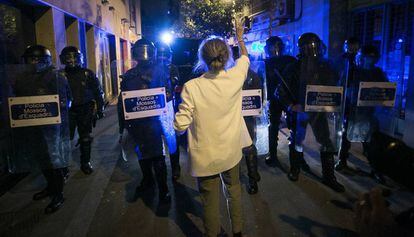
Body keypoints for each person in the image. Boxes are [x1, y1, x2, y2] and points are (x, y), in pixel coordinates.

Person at [174, 18, 250, 237]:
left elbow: (181, 124)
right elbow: (244, 58)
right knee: (234, 191)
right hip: (231, 151)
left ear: (203, 58)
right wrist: (240, 38)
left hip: (205, 155)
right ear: (226, 57)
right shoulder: (236, 78)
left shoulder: (191, 87)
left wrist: (173, 126)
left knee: (209, 201)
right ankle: (237, 232)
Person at [9, 45, 71, 213]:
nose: (34, 63)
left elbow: (66, 102)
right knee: (41, 158)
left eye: (38, 60)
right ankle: (51, 187)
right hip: (31, 124)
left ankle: (58, 193)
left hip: (52, 127)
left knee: (53, 159)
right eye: (31, 60)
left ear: (46, 61)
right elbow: (16, 98)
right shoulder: (21, 78)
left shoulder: (56, 77)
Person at [279, 33, 345, 192]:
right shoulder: (293, 67)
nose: (311, 49)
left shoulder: (326, 66)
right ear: (301, 48)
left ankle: (329, 176)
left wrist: (334, 101)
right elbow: (280, 91)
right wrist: (290, 105)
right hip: (300, 110)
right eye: (307, 46)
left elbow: (335, 86)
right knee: (297, 141)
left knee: (326, 142)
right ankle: (295, 169)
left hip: (319, 111)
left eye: (313, 45)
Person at [118, 39, 171, 204]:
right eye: (141, 51)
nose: (144, 54)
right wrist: (123, 124)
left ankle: (163, 189)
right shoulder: (129, 75)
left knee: (158, 156)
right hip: (137, 122)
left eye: (146, 50)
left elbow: (168, 95)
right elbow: (123, 100)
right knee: (142, 155)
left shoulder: (160, 72)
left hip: (154, 121)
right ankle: (148, 180)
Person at [337, 45, 389, 184]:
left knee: (370, 142)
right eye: (367, 57)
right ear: (362, 58)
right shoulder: (353, 71)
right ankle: (342, 160)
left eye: (372, 58)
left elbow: (385, 90)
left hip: (368, 112)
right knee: (346, 137)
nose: (370, 61)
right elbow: (342, 86)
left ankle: (375, 168)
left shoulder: (378, 73)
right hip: (352, 109)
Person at [59, 46, 105, 175]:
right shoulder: (60, 75)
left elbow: (98, 91)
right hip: (67, 111)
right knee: (65, 138)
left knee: (85, 137)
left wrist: (100, 108)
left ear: (80, 58)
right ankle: (63, 165)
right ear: (63, 60)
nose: (72, 61)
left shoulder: (87, 73)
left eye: (75, 57)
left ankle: (85, 162)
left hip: (85, 108)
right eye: (69, 58)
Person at [264, 36, 299, 167]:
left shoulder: (290, 60)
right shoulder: (267, 62)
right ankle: (273, 154)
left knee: (293, 128)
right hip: (275, 98)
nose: (267, 49)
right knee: (273, 126)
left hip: (288, 98)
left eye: (269, 46)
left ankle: (296, 158)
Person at [232, 46, 261, 194]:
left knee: (248, 148)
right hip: (231, 118)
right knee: (235, 149)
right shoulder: (227, 76)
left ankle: (252, 178)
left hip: (247, 118)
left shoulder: (253, 76)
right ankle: (239, 177)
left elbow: (258, 98)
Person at [155, 41, 181, 181]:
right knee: (156, 138)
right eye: (160, 54)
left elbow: (175, 80)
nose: (162, 57)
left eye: (165, 55)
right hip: (154, 105)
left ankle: (175, 167)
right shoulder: (151, 68)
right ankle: (160, 170)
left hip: (168, 105)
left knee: (171, 137)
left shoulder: (172, 68)